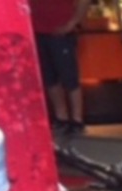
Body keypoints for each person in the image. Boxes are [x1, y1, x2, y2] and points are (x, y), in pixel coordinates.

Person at [30, 0, 92, 135]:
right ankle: (61, 117)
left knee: (69, 77)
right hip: (38, 31)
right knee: (50, 78)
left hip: (61, 32)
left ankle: (77, 120)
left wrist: (72, 23)